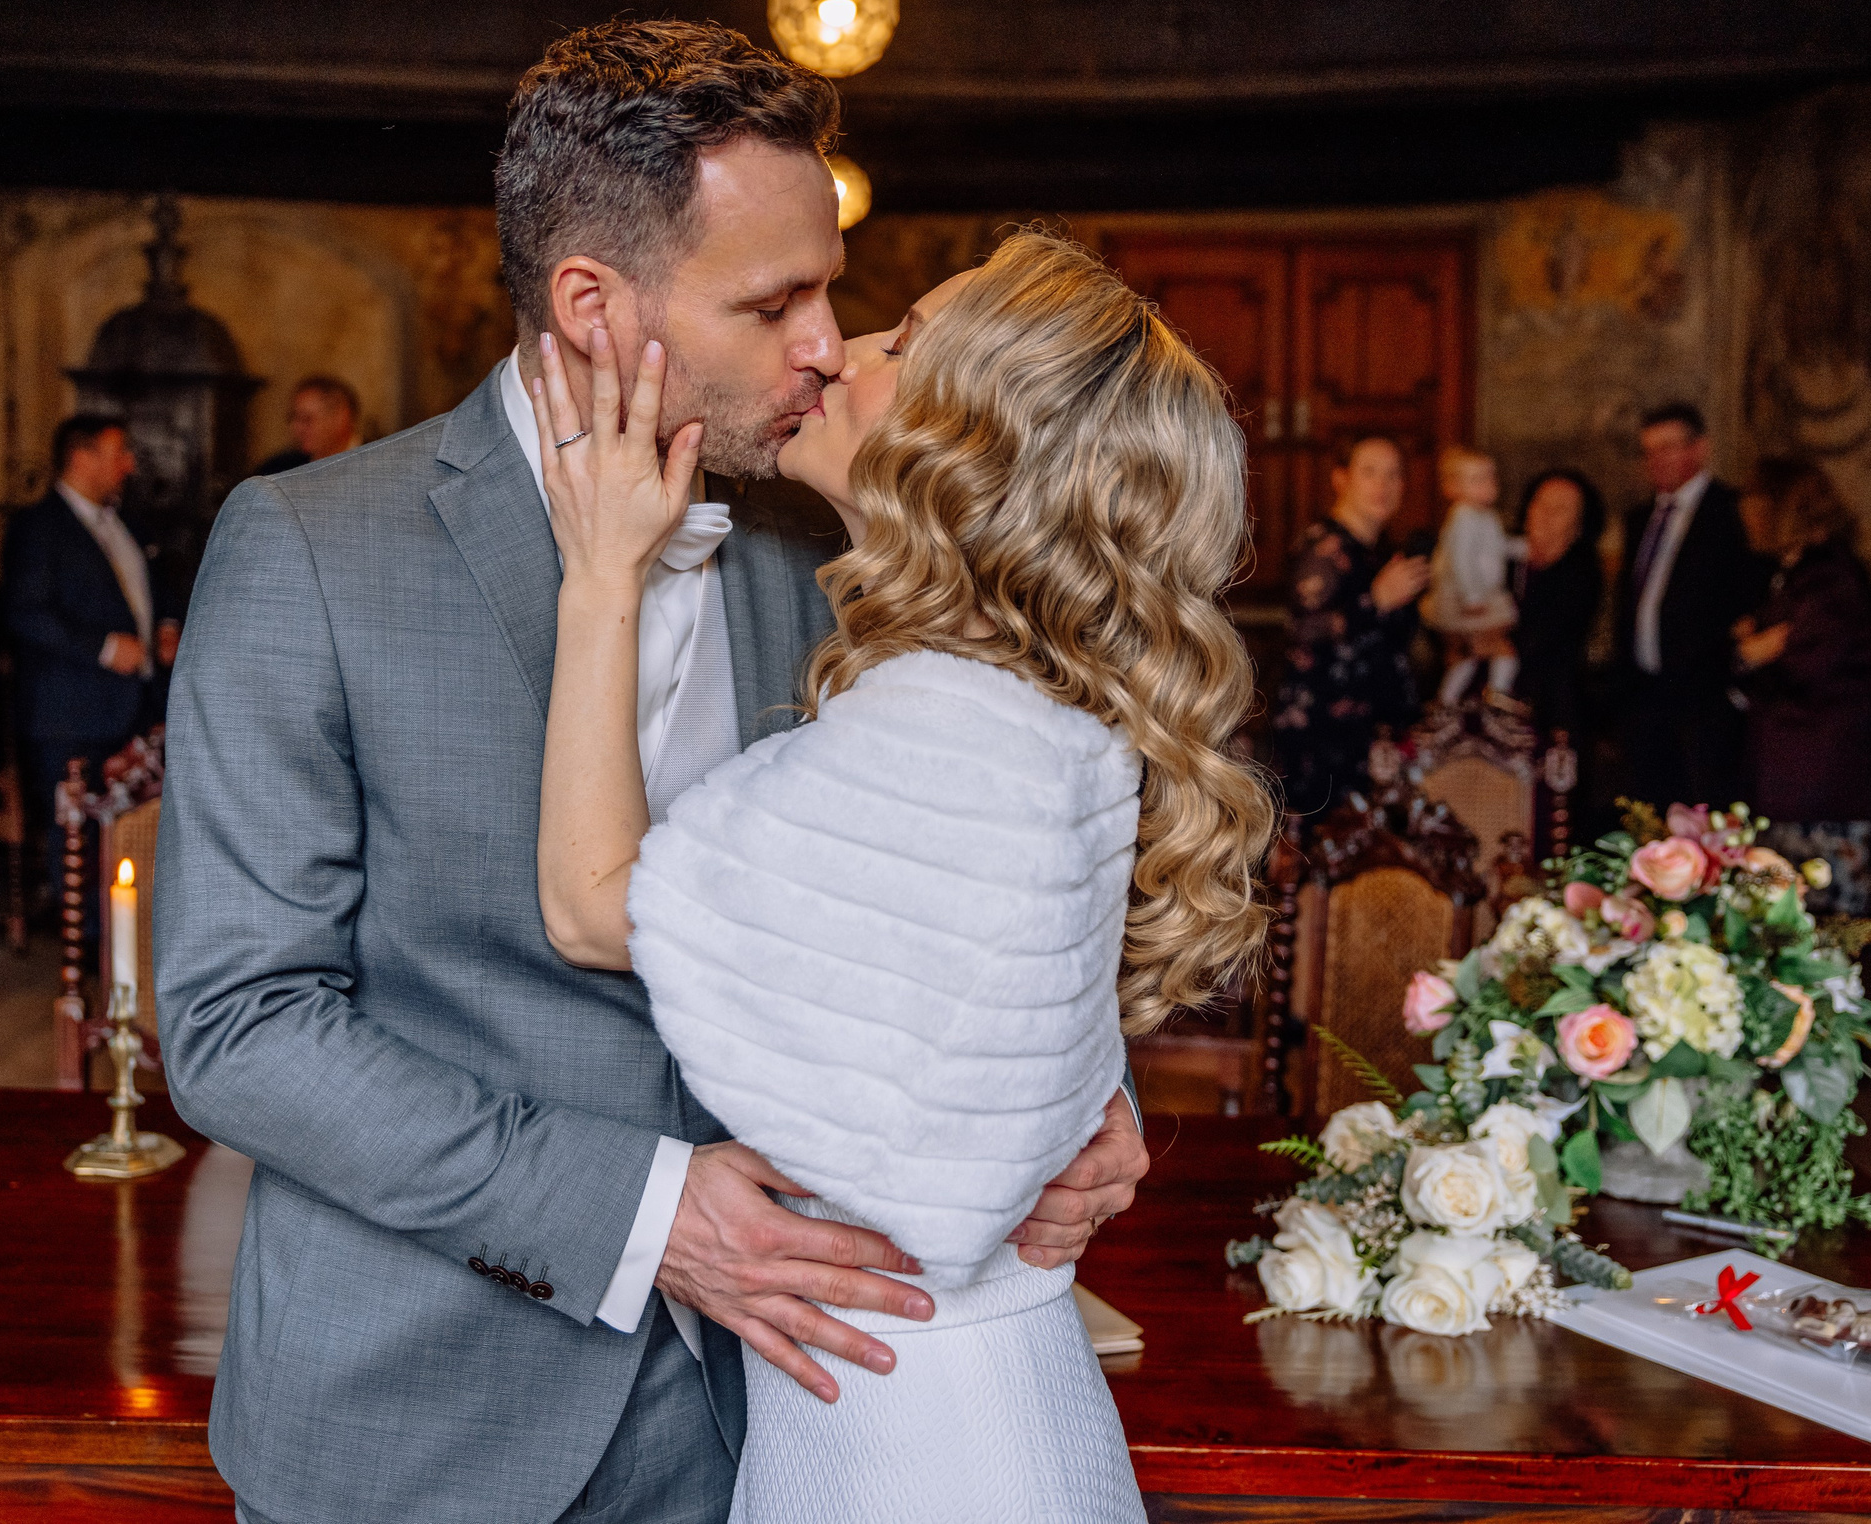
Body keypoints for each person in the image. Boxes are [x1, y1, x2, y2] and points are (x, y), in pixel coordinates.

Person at [154, 20, 1150, 1524]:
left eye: (831, 289)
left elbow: (956, 851)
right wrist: (639, 1212)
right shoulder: (310, 552)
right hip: (423, 1425)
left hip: (790, 1412)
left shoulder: (832, 541)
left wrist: (1081, 1091)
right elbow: (239, 1026)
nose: (826, 342)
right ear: (593, 306)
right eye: (776, 300)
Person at [529, 231, 1270, 1520]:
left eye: (901, 340)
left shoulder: (942, 718)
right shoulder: (1044, 710)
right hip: (953, 1387)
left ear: (976, 438)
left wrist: (600, 575)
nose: (838, 348)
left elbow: (596, 904)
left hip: (909, 1432)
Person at [3, 415, 180, 893]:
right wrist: (103, 648)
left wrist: (165, 625)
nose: (129, 465)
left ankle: (136, 943)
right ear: (81, 457)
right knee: (77, 836)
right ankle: (88, 952)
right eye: (118, 452)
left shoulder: (129, 524)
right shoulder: (36, 528)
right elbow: (25, 613)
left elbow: (158, 589)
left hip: (138, 704)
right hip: (72, 711)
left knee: (141, 828)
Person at [1733, 457, 1871, 914]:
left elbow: (1806, 669)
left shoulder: (1829, 580)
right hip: (1793, 774)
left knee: (1816, 911)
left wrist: (1748, 657)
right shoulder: (1797, 574)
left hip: (1818, 780)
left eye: (1755, 506)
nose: (1746, 517)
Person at [1271, 435, 1429, 820]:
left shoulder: (1383, 550)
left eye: (1394, 475)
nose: (1383, 486)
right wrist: (1375, 601)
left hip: (1374, 735)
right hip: (1324, 737)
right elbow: (1305, 631)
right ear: (1341, 479)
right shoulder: (1321, 547)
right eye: (1370, 472)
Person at [1613, 402, 1758, 808]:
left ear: (1700, 448)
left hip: (1704, 700)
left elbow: (1746, 600)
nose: (1656, 460)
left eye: (1668, 447)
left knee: (1702, 813)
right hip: (1645, 697)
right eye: (1649, 450)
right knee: (1644, 816)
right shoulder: (1641, 518)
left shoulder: (1732, 512)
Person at [1509, 467, 1606, 743]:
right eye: (1540, 503)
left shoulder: (1583, 575)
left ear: (1578, 527)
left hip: (1552, 711)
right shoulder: (1503, 560)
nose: (1546, 514)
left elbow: (1542, 639)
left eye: (1561, 509)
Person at [1421, 445, 1520, 703]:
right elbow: (1461, 561)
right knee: (1498, 649)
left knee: (1472, 654)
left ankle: (1451, 699)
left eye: (1490, 477)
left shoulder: (1484, 515)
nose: (1488, 484)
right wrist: (1473, 597)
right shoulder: (1463, 518)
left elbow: (1498, 545)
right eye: (1477, 479)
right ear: (1453, 488)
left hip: (1478, 596)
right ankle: (1495, 696)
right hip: (1464, 599)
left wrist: (1524, 549)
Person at [252, 374, 365, 475]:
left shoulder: (376, 464)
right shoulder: (278, 469)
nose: (296, 428)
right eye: (293, 418)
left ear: (341, 419)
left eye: (306, 419)